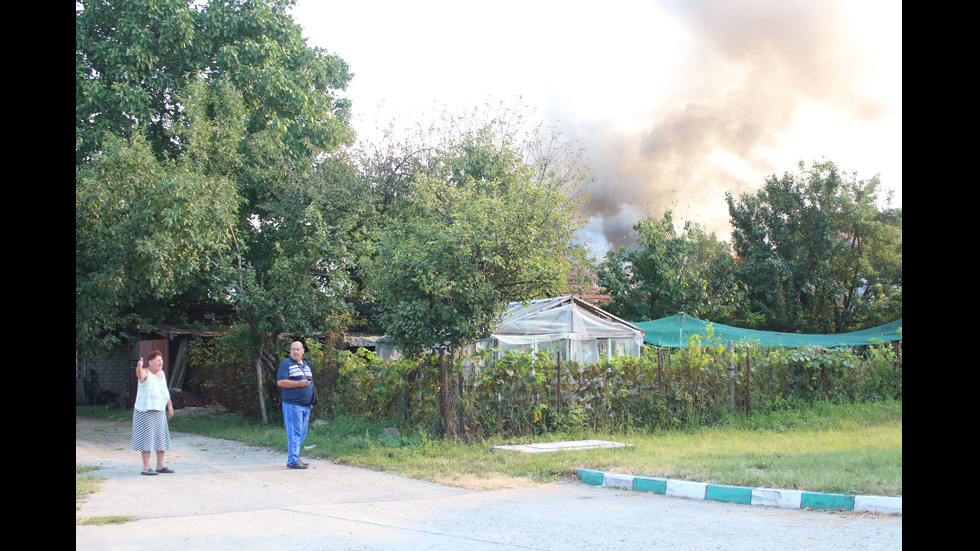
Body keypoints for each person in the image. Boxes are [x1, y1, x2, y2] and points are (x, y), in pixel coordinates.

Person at [132, 350, 174, 476]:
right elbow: (140, 375)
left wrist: (170, 406)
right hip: (145, 412)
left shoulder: (162, 374)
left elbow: (165, 391)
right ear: (150, 363)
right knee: (146, 440)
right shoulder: (146, 372)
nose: (160, 362)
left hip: (159, 411)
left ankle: (160, 465)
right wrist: (139, 367)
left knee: (161, 440)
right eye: (157, 360)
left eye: (161, 360)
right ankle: (146, 467)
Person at [277, 341, 314, 469]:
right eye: (293, 349)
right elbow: (281, 382)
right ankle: (292, 460)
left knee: (302, 432)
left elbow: (310, 383)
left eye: (298, 349)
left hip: (306, 405)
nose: (295, 352)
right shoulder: (286, 364)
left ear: (303, 351)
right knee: (294, 432)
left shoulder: (306, 365)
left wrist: (312, 400)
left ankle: (296, 457)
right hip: (293, 404)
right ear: (290, 351)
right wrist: (298, 384)